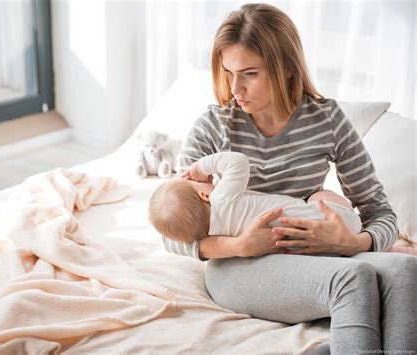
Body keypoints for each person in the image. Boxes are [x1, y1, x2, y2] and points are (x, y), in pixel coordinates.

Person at [162, 3, 416, 354]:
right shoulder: (214, 125)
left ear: (287, 69)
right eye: (228, 72)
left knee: (407, 273)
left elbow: (380, 212)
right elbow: (171, 231)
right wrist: (241, 246)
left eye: (249, 74)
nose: (235, 88)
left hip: (317, 256)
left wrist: (353, 243)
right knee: (352, 279)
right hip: (239, 267)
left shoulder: (326, 121)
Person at [149, 151, 361, 247]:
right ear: (205, 195)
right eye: (195, 183)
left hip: (314, 248)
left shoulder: (218, 234)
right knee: (319, 195)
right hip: (339, 222)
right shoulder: (222, 197)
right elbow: (237, 162)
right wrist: (201, 166)